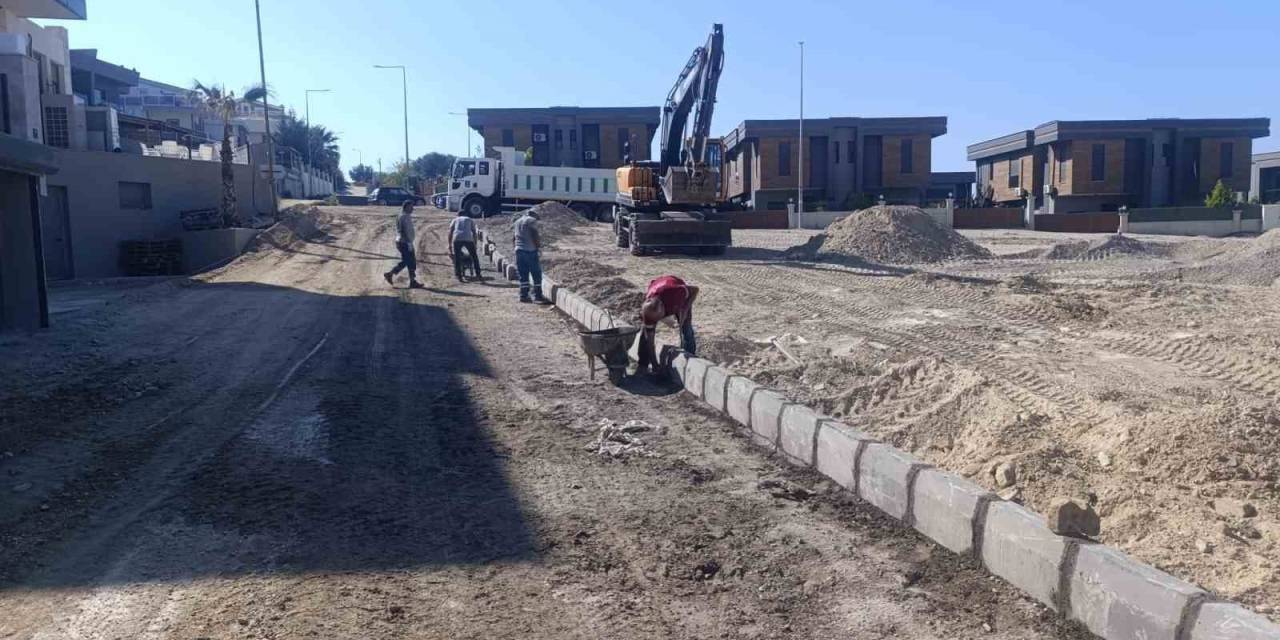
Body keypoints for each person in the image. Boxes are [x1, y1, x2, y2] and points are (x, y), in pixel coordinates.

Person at [637, 275, 699, 374]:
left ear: (663, 308)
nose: (656, 321)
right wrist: (655, 364)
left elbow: (695, 290)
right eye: (655, 320)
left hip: (675, 287)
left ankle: (690, 358)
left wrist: (685, 308)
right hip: (657, 288)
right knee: (645, 334)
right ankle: (643, 364)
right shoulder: (648, 311)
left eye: (658, 318)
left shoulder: (676, 293)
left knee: (686, 326)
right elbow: (650, 341)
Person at [383, 200, 424, 289]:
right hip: (404, 242)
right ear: (406, 207)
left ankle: (412, 281)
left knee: (410, 261)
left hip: (404, 241)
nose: (412, 208)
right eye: (411, 207)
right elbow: (402, 230)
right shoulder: (404, 216)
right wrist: (408, 242)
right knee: (408, 261)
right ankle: (390, 274)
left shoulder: (403, 215)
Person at [512, 209, 549, 303]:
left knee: (523, 274)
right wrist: (538, 247)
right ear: (534, 216)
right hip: (530, 250)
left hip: (519, 250)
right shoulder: (531, 220)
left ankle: (523, 295)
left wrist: (515, 248)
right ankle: (538, 296)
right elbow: (534, 234)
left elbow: (514, 238)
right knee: (536, 274)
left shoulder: (517, 221)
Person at [448, 210, 482, 282]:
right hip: (468, 238)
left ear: (458, 215)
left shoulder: (455, 220)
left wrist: (449, 244)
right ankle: (478, 274)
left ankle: (459, 276)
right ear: (466, 214)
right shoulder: (469, 219)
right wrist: (475, 244)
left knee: (457, 257)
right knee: (474, 256)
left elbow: (450, 232)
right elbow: (474, 232)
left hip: (457, 238)